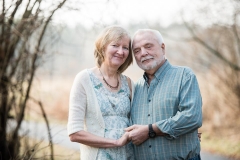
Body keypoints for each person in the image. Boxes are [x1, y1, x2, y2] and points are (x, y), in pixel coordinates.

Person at [125, 29, 202, 160]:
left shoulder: (184, 76)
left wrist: (150, 130)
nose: (143, 53)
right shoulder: (134, 88)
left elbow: (192, 117)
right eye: (137, 50)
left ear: (163, 48)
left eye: (148, 46)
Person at [67, 26, 135, 160]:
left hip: (129, 156)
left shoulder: (129, 83)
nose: (120, 52)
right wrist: (115, 143)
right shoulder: (84, 79)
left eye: (125, 47)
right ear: (103, 47)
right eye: (115, 45)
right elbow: (74, 133)